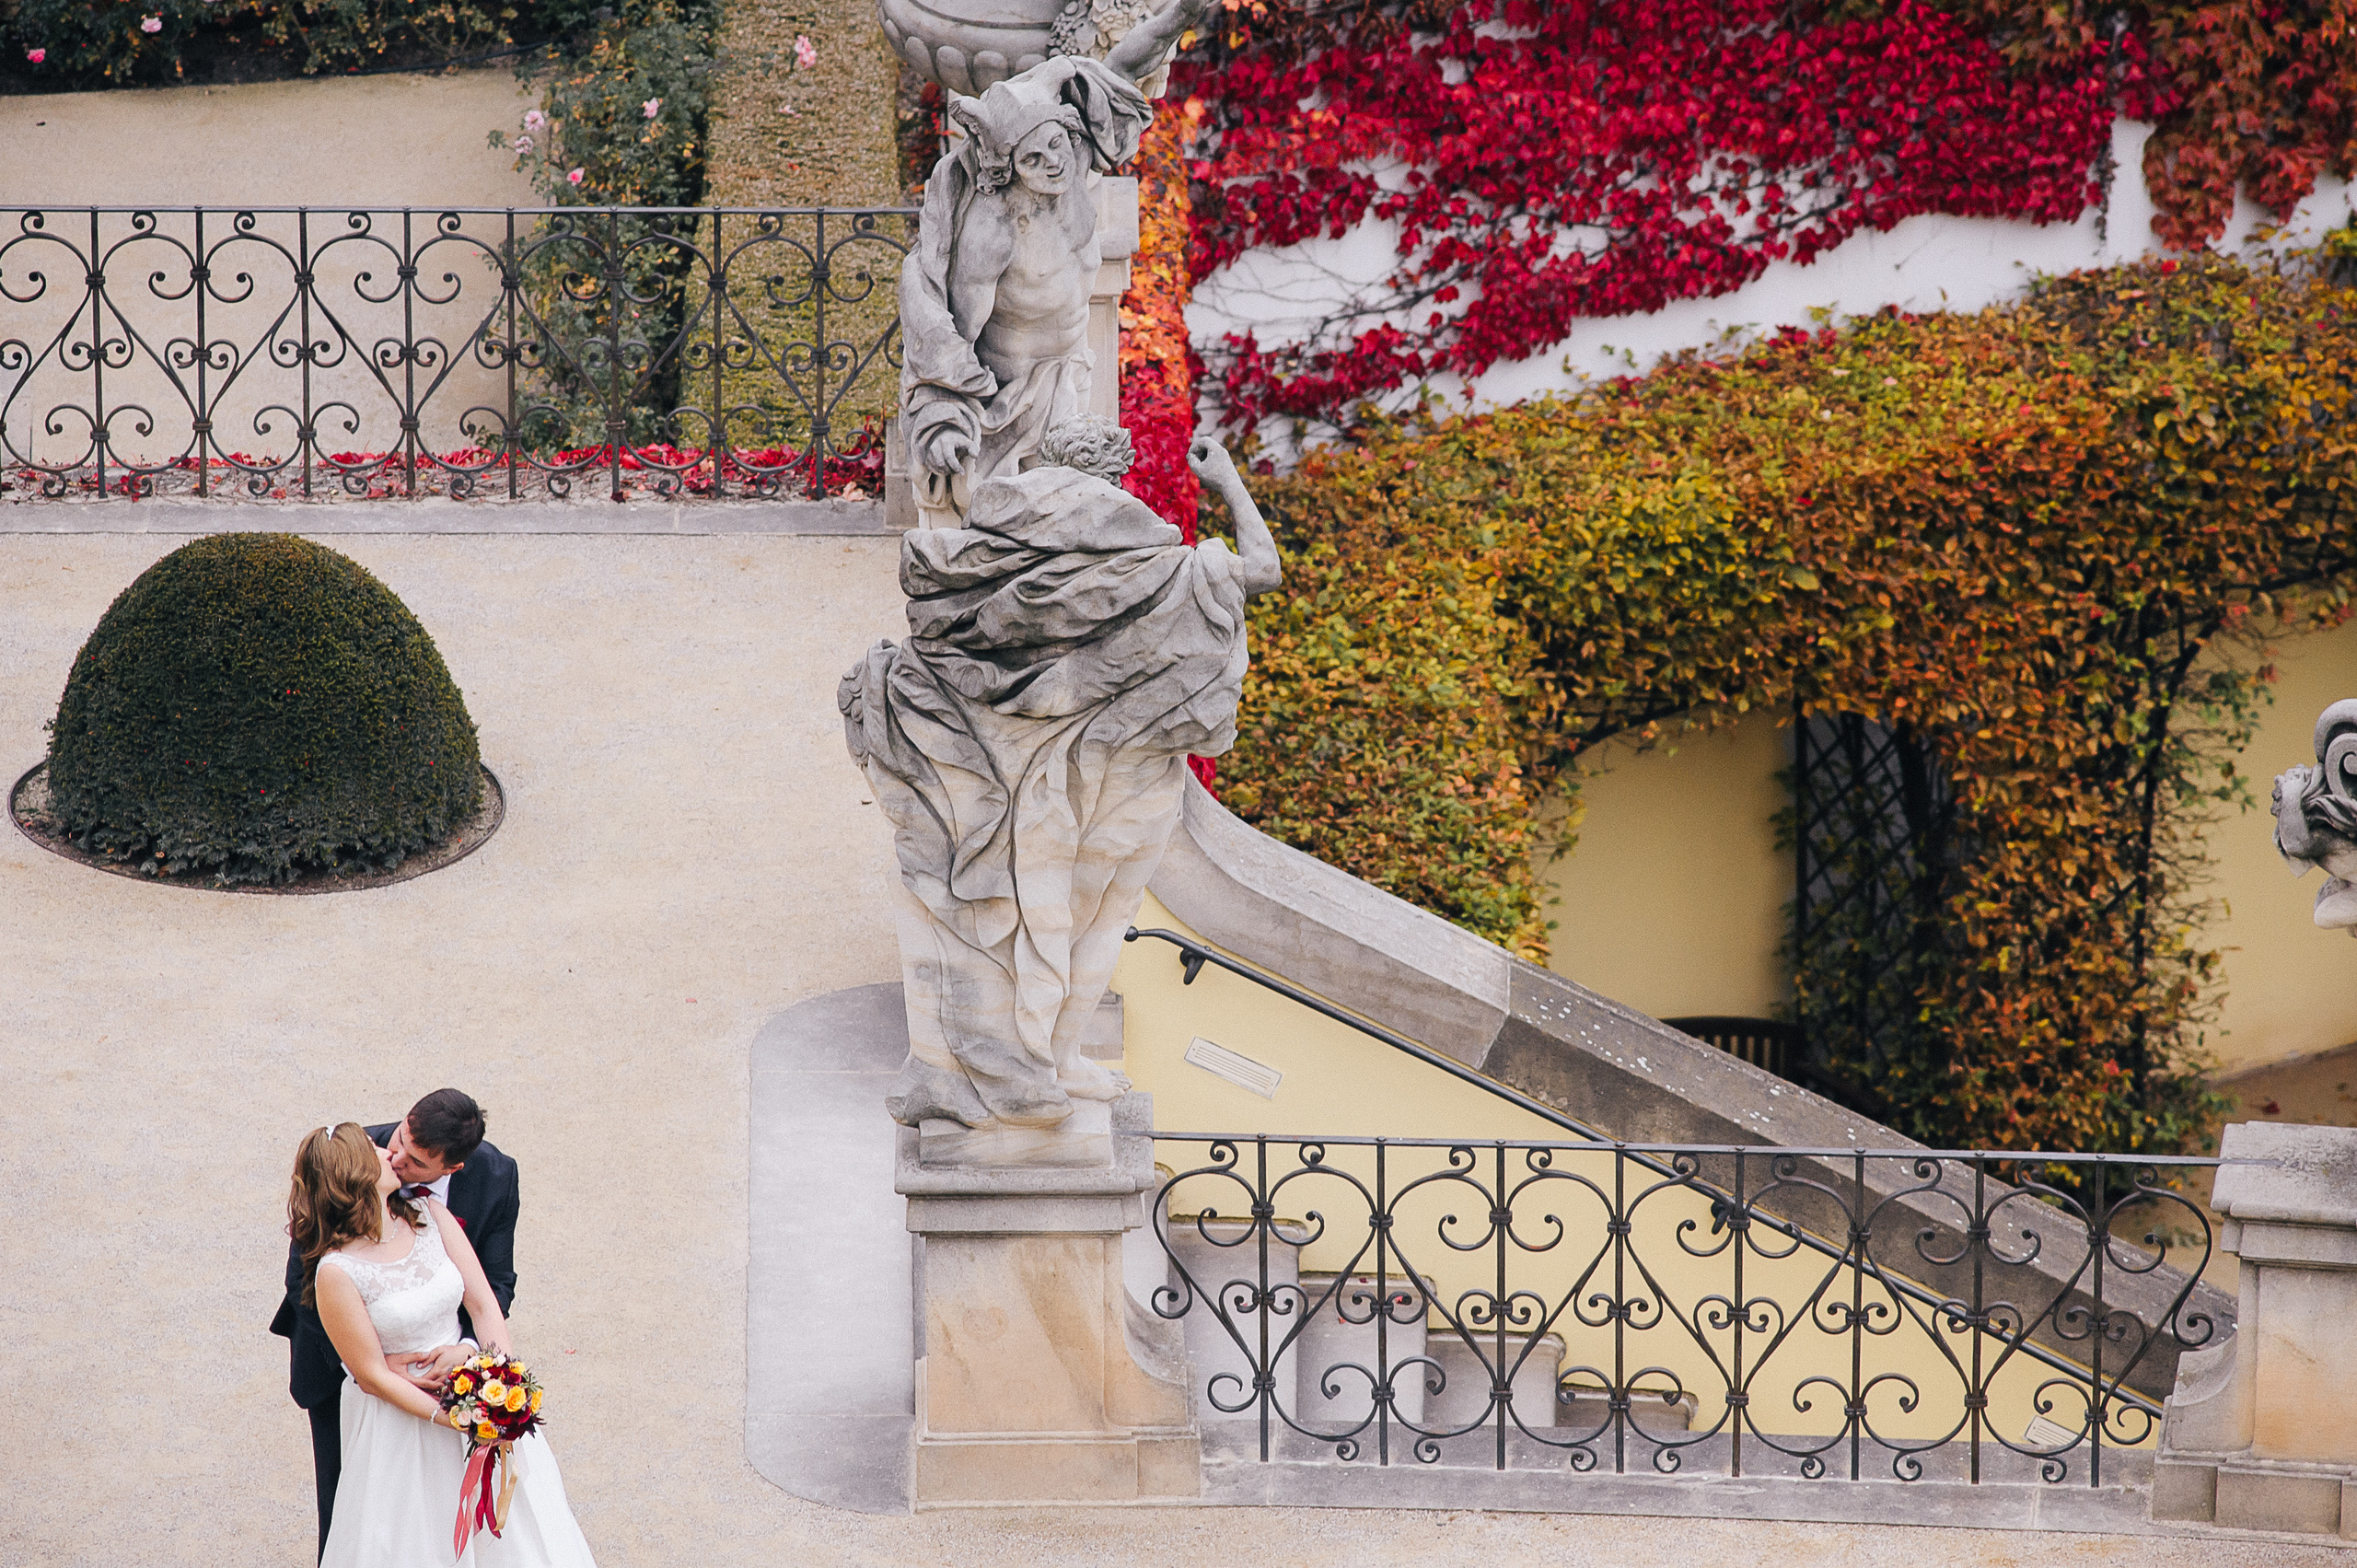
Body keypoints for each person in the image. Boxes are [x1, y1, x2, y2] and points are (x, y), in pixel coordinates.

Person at [898, 0, 1213, 527]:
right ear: (1009, 169)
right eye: (1033, 159)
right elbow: (949, 334)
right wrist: (946, 419)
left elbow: (1124, 69)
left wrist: (1178, 15)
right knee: (1010, 541)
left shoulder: (1075, 160)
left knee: (1075, 526)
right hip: (1007, 398)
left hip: (1071, 372)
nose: (1053, 163)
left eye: (1055, 144)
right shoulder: (992, 234)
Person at [288, 1121, 593, 1566]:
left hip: (473, 1391)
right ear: (356, 1174)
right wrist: (448, 1418)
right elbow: (371, 1375)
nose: (387, 1152)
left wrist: (500, 1380)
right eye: (374, 1150)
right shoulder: (336, 1270)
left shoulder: (429, 1214)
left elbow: (484, 1303)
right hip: (405, 1425)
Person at [271, 1091, 518, 1557]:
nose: (396, 1156)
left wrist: (484, 1370)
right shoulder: (346, 1158)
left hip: (458, 1378)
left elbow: (492, 1289)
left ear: (450, 1169)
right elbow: (303, 1288)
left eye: (416, 1160)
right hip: (346, 1378)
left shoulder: (472, 1189)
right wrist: (371, 1368)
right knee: (361, 1527)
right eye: (398, 1140)